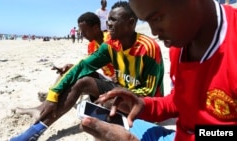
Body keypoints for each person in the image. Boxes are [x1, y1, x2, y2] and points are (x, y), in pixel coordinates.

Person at [80, 0, 237, 141]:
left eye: (156, 18)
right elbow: (180, 102)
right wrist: (144, 105)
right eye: (147, 22)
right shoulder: (179, 46)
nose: (154, 32)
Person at [10, 1, 164, 140]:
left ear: (131, 23)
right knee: (83, 78)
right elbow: (83, 66)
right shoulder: (111, 45)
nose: (108, 24)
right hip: (120, 92)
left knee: (95, 92)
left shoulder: (148, 48)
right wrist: (53, 95)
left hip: (143, 105)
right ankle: (34, 131)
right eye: (108, 19)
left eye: (114, 20)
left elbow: (149, 94)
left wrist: (115, 95)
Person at [13, 12, 115, 119]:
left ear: (95, 28)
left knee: (76, 77)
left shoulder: (110, 39)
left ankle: (45, 106)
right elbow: (90, 65)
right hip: (106, 78)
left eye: (84, 31)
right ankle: (45, 103)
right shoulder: (91, 45)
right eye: (81, 32)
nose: (82, 35)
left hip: (116, 82)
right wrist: (71, 66)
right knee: (68, 71)